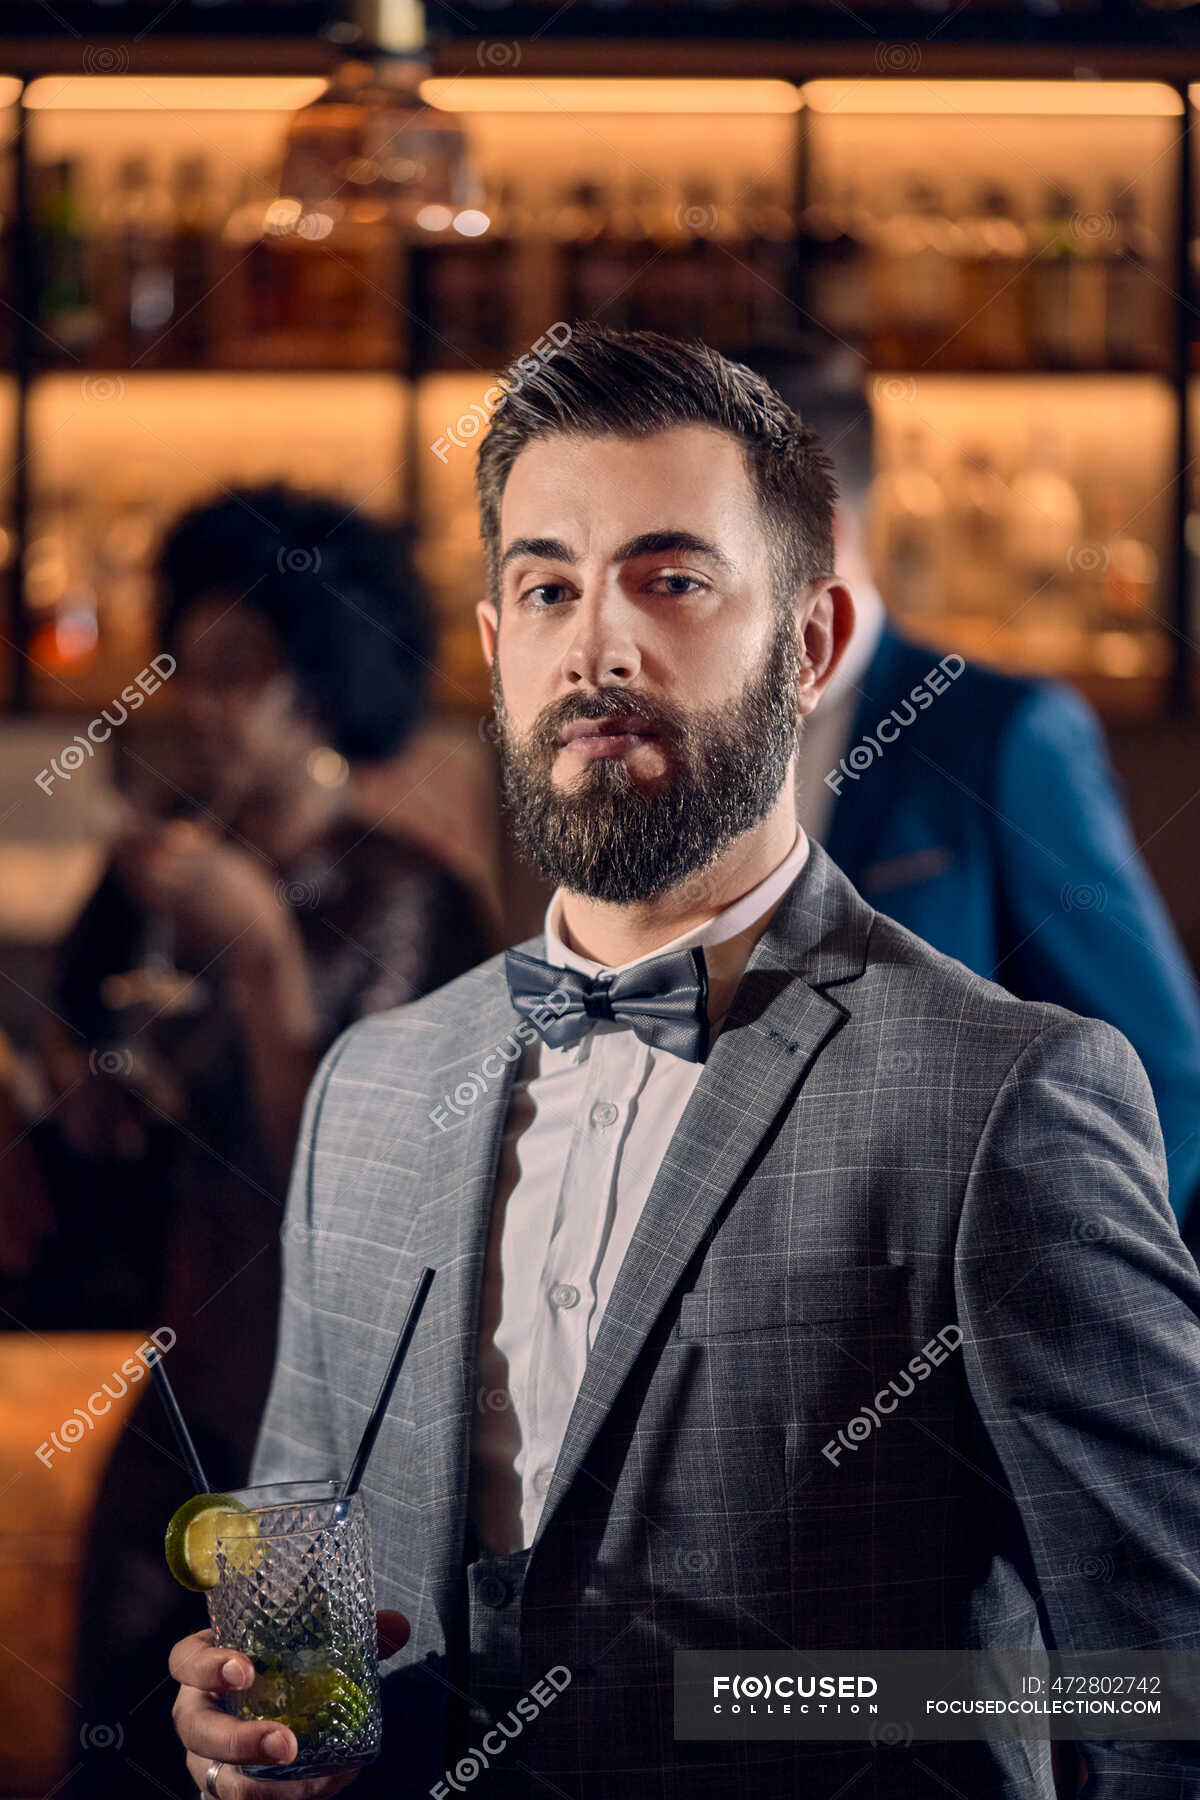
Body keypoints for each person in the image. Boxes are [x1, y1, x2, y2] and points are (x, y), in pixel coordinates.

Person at [169, 330, 1200, 1799]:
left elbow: (1158, 1681)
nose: (599, 646)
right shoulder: (374, 1088)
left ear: (815, 644)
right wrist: (264, 1730)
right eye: (548, 589)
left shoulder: (1008, 1101)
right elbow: (301, 1554)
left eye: (672, 581)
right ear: (494, 647)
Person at [51, 485, 494, 1797]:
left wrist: (263, 960)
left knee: (293, 1755)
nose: (192, 701)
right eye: (181, 664)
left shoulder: (413, 899)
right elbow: (102, 1158)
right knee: (121, 1756)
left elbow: (369, 1205)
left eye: (235, 671)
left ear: (322, 687)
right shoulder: (150, 885)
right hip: (186, 1405)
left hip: (328, 1446)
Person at [734, 343, 1200, 1231]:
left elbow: (1163, 1079)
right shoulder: (651, 737)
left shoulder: (1001, 734)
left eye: (686, 548)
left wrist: (1046, 1305)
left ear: (814, 536)